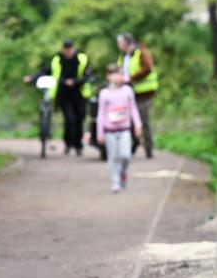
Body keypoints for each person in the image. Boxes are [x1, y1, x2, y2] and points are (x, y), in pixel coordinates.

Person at [24, 39, 92, 155]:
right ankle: (68, 144)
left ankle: (78, 145)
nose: (68, 51)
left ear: (73, 48)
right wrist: (32, 78)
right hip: (63, 93)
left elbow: (88, 75)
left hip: (80, 93)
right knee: (69, 119)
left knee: (79, 119)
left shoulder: (82, 58)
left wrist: (74, 81)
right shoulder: (57, 59)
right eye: (66, 49)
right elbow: (45, 71)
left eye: (70, 48)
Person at [97, 63, 143, 193]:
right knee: (112, 157)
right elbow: (101, 114)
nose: (118, 77)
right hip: (109, 130)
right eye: (115, 74)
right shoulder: (104, 94)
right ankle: (115, 182)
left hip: (124, 129)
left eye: (120, 73)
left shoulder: (127, 91)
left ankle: (122, 172)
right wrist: (99, 132)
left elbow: (133, 109)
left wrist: (138, 124)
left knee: (125, 155)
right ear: (108, 77)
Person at [116, 32, 159, 158]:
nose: (118, 45)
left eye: (120, 42)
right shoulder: (123, 56)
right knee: (129, 121)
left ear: (126, 43)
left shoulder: (141, 52)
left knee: (143, 120)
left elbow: (148, 68)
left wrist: (131, 78)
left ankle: (148, 149)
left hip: (144, 93)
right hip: (128, 93)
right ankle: (133, 146)